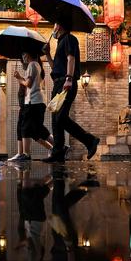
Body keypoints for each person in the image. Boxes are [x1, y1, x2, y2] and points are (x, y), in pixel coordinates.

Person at [42, 22, 100, 163]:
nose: (53, 29)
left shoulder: (69, 38)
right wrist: (48, 54)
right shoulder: (61, 42)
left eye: (55, 26)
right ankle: (58, 152)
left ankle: (90, 140)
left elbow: (71, 59)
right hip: (58, 82)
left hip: (66, 82)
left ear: (60, 26)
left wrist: (69, 78)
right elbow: (55, 67)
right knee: (56, 119)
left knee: (61, 117)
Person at [8, 51, 54, 161]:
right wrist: (20, 78)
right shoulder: (36, 65)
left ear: (29, 54)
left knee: (27, 128)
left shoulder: (32, 65)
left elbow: (28, 84)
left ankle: (26, 154)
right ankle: (58, 147)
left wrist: (19, 78)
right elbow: (30, 83)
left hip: (33, 102)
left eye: (24, 54)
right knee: (36, 130)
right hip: (34, 102)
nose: (23, 57)